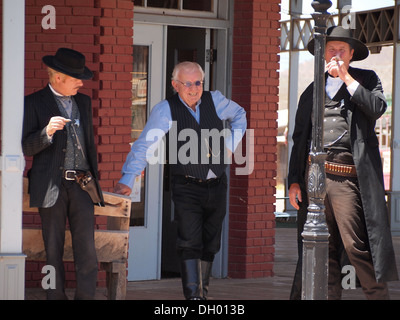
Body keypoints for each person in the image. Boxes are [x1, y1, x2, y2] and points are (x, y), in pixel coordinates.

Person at [114, 61, 247, 300]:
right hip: (186, 185)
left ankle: (202, 295)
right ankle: (193, 298)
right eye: (188, 83)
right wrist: (129, 177)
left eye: (198, 82)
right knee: (189, 240)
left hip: (217, 184)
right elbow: (145, 144)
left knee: (210, 243)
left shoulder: (214, 100)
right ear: (175, 85)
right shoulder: (165, 109)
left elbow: (239, 115)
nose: (194, 88)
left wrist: (230, 146)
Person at [288, 26, 398, 300]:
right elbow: (299, 137)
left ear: (350, 55)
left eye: (341, 51)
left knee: (357, 247)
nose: (336, 55)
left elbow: (376, 108)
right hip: (314, 178)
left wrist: (346, 77)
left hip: (347, 178)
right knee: (323, 251)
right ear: (323, 54)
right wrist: (292, 180)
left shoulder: (367, 80)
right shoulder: (313, 89)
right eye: (331, 50)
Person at [22, 48, 104, 300]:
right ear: (59, 77)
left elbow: (89, 144)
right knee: (53, 250)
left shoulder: (84, 102)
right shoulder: (33, 102)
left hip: (81, 185)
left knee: (87, 250)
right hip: (50, 185)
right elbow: (26, 146)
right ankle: (54, 297)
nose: (81, 82)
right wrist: (46, 133)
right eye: (76, 78)